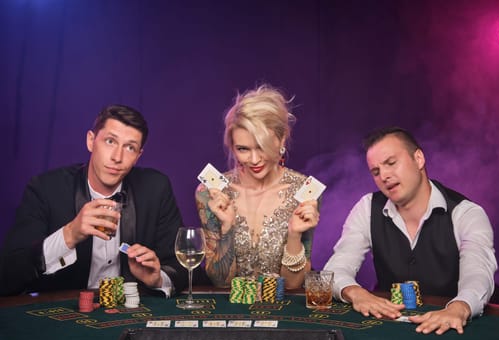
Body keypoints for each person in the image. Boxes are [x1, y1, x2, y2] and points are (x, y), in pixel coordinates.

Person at [0, 104, 207, 296]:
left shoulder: (156, 188)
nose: (117, 157)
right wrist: (69, 234)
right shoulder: (45, 189)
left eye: (130, 147)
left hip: (131, 313)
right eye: (110, 141)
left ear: (138, 155)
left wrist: (157, 278)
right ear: (91, 141)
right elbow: (9, 274)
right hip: (64, 317)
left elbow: (183, 267)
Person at [324, 126, 497, 335]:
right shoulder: (367, 208)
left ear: (419, 159)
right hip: (389, 326)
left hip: (449, 328)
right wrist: (356, 293)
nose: (384, 176)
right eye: (376, 171)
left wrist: (459, 308)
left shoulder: (466, 213)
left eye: (391, 163)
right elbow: (334, 271)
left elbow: (478, 274)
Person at [195, 85, 320, 289]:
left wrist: (295, 235)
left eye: (262, 147)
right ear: (232, 147)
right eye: (243, 149)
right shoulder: (210, 192)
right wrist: (227, 228)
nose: (254, 160)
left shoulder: (304, 191)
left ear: (281, 140)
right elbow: (221, 282)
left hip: (283, 311)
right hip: (231, 311)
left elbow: (291, 285)